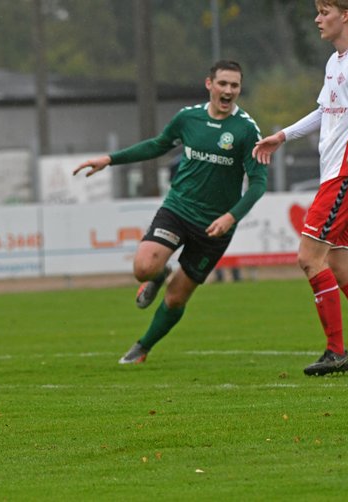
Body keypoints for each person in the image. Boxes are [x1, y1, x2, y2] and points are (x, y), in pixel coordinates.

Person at [73, 60, 267, 365]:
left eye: (235, 85)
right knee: (143, 268)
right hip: (178, 209)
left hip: (215, 227)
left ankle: (142, 347)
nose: (228, 90)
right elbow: (158, 145)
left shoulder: (246, 130)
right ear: (209, 84)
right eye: (223, 83)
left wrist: (231, 217)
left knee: (176, 297)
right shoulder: (188, 118)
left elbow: (258, 184)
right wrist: (110, 159)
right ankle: (159, 273)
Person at [253, 0, 348, 376]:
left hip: (344, 174)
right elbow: (323, 112)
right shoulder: (335, 62)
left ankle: (336, 352)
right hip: (334, 172)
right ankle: (336, 352)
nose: (317, 19)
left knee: (309, 258)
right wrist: (282, 135)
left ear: (345, 15)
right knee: (341, 265)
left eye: (324, 12)